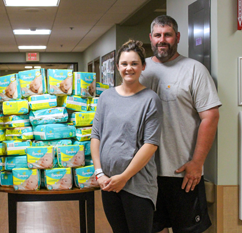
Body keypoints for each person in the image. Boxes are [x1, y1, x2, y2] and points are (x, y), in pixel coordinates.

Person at [140, 15, 222, 233]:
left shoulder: (194, 69)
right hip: (145, 172)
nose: (162, 40)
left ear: (177, 37)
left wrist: (197, 162)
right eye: (157, 35)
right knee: (152, 228)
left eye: (167, 35)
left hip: (183, 173)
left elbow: (211, 117)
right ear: (151, 38)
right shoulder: (139, 69)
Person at [91, 39, 162, 233]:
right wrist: (99, 173)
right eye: (124, 63)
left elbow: (151, 144)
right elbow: (96, 136)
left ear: (143, 66)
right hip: (108, 183)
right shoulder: (106, 97)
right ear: (117, 67)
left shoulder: (150, 100)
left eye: (134, 63)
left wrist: (124, 177)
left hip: (137, 185)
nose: (128, 68)